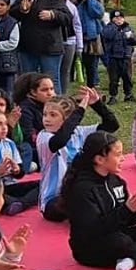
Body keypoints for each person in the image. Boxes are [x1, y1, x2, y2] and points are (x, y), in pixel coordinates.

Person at [62, 131, 136, 270]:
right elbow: (94, 229)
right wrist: (126, 210)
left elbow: (124, 222)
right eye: (118, 154)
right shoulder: (83, 189)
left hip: (115, 233)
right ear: (100, 159)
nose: (123, 158)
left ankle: (131, 259)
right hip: (89, 247)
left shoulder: (116, 181)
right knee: (122, 242)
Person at [38, 88, 119, 219]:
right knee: (84, 205)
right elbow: (60, 141)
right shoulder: (44, 137)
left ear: (67, 118)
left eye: (53, 115)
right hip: (53, 200)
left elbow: (112, 125)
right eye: (45, 114)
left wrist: (97, 104)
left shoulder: (79, 132)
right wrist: (80, 110)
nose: (47, 119)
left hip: (80, 191)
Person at [10, 0, 72, 91]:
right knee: (28, 81)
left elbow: (67, 17)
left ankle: (54, 103)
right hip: (28, 46)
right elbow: (12, 15)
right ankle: (29, 103)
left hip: (50, 46)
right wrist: (22, 10)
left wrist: (53, 14)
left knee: (51, 81)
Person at [12, 72, 57, 172]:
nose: (50, 93)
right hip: (35, 147)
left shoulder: (50, 105)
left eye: (52, 89)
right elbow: (29, 136)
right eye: (44, 90)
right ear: (33, 92)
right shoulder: (25, 109)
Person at [71, 0, 106, 88]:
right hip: (76, 32)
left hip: (92, 34)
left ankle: (93, 85)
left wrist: (89, 0)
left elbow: (99, 13)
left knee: (92, 64)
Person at [101, 9, 136, 103]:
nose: (119, 20)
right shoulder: (108, 28)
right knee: (113, 78)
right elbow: (107, 35)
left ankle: (128, 94)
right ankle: (113, 96)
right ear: (112, 19)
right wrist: (116, 27)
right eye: (116, 18)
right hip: (113, 57)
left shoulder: (128, 28)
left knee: (127, 77)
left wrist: (131, 37)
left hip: (126, 56)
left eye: (121, 17)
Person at [52, 0, 83, 96]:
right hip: (54, 43)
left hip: (69, 42)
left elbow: (77, 26)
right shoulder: (49, 6)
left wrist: (79, 46)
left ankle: (63, 95)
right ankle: (54, 95)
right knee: (54, 71)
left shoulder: (72, 7)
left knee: (65, 71)